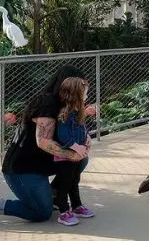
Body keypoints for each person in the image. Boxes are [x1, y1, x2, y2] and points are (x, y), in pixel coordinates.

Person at [0, 66, 88, 227]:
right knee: (41, 212)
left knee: (81, 160)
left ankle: (54, 195)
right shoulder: (47, 103)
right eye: (80, 86)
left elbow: (75, 129)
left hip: (44, 163)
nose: (84, 92)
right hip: (23, 168)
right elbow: (43, 141)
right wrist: (72, 154)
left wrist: (85, 141)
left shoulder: (69, 105)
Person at [53, 77, 94, 226]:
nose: (87, 96)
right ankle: (63, 211)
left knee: (75, 180)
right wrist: (76, 146)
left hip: (77, 156)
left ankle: (76, 206)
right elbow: (63, 135)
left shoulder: (78, 111)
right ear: (75, 93)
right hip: (66, 157)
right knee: (65, 183)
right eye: (84, 93)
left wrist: (87, 139)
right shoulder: (65, 113)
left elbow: (81, 128)